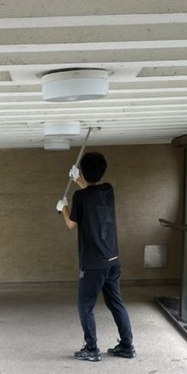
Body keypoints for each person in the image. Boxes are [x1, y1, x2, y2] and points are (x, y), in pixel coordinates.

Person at [57, 151, 135, 362]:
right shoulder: (108, 190)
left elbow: (71, 224)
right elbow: (91, 193)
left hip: (93, 264)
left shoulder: (79, 197)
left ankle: (91, 349)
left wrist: (63, 208)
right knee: (116, 302)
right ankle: (127, 346)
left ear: (83, 171)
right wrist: (78, 180)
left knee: (85, 306)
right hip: (113, 260)